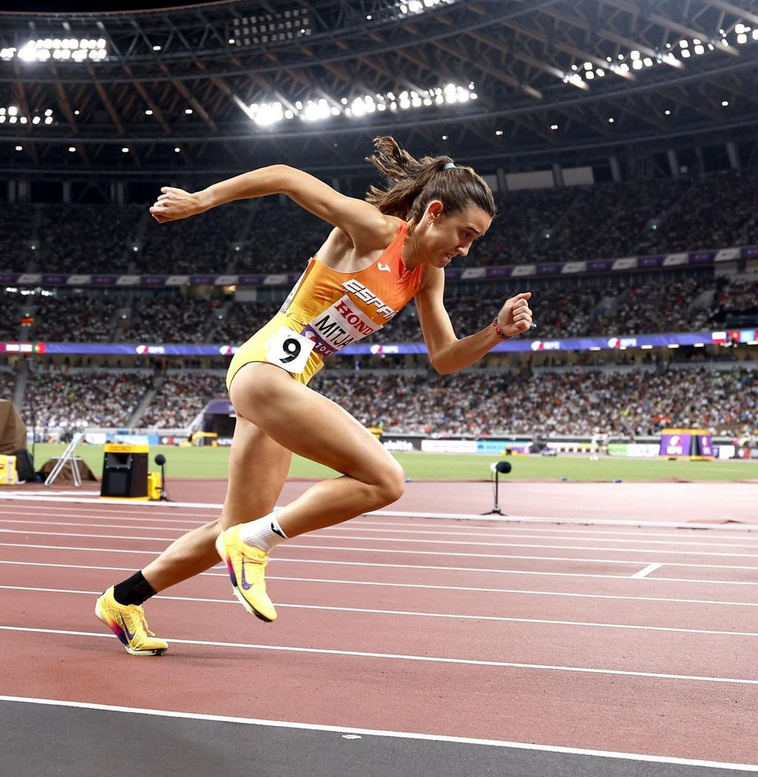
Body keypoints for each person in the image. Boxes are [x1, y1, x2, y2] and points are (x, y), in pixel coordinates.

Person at [93, 138, 534, 654]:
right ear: (433, 212)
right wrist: (200, 200)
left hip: (285, 384)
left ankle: (123, 599)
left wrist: (496, 333)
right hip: (263, 370)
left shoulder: (426, 276)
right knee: (385, 479)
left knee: (233, 527)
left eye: (475, 241)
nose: (465, 249)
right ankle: (257, 545)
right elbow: (285, 174)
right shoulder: (375, 231)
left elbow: (444, 357)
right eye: (465, 234)